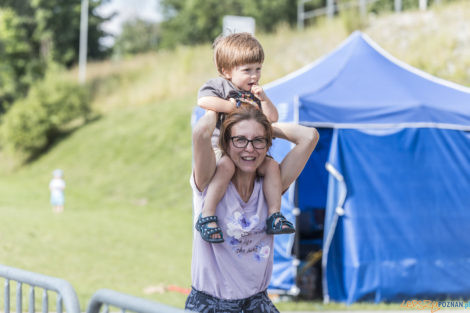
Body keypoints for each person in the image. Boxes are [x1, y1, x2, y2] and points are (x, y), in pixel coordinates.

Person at [186, 104, 319, 312]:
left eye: (258, 140)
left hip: (257, 303)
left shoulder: (271, 187)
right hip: (211, 305)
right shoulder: (209, 183)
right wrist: (217, 110)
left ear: (267, 145)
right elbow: (201, 132)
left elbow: (309, 136)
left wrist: (264, 126)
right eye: (240, 140)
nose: (249, 149)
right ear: (226, 143)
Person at [196, 32, 292, 243]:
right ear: (226, 71)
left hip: (248, 151)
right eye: (247, 70)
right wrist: (230, 107)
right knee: (227, 166)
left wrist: (264, 99)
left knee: (272, 166)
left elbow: (272, 118)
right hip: (222, 149)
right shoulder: (221, 86)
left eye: (258, 69)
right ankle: (207, 215)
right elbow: (203, 100)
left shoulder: (255, 95)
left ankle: (274, 214)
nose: (254, 76)